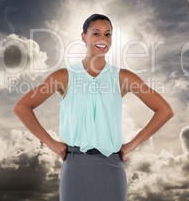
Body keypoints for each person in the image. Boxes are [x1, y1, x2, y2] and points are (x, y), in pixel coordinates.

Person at [13, 14, 174, 201]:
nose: (103, 40)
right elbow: (22, 107)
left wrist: (133, 144)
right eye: (96, 33)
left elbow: (165, 110)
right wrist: (51, 143)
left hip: (112, 167)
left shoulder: (123, 78)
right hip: (75, 166)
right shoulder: (64, 76)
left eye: (108, 35)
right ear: (84, 36)